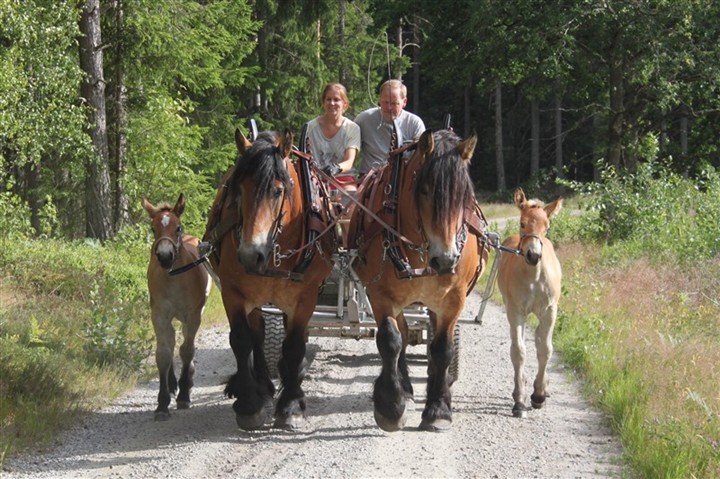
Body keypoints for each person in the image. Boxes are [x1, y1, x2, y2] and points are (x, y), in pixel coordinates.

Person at [354, 79, 425, 177]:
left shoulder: (414, 123)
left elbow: (421, 156)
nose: (389, 107)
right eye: (385, 102)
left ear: (404, 102)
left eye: (394, 103)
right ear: (379, 100)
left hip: (402, 178)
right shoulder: (363, 119)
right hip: (369, 178)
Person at [306, 82, 361, 183]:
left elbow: (349, 161)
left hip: (342, 178)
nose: (332, 103)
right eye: (328, 99)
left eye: (336, 100)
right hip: (314, 180)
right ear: (323, 102)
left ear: (345, 103)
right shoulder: (310, 128)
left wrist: (336, 168)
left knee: (351, 194)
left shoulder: (352, 128)